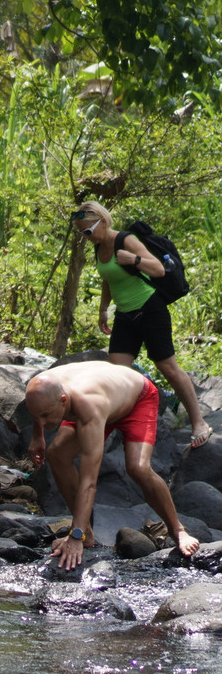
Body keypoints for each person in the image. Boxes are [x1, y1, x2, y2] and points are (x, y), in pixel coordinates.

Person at [26, 361, 201, 570]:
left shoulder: (88, 407)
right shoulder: (44, 388)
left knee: (138, 468)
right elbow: (38, 407)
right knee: (57, 454)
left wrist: (74, 536)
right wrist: (38, 436)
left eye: (46, 416)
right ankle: (87, 533)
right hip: (104, 399)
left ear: (63, 400)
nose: (42, 421)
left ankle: (178, 530)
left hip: (137, 399)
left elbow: (89, 481)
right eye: (39, 417)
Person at [74, 201, 211, 448]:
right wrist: (103, 309)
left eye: (87, 231)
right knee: (116, 373)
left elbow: (158, 270)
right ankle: (122, 425)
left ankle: (198, 421)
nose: (86, 237)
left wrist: (134, 259)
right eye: (82, 233)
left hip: (150, 310)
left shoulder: (127, 240)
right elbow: (108, 279)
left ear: (102, 222)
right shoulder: (98, 246)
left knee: (167, 366)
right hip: (124, 316)